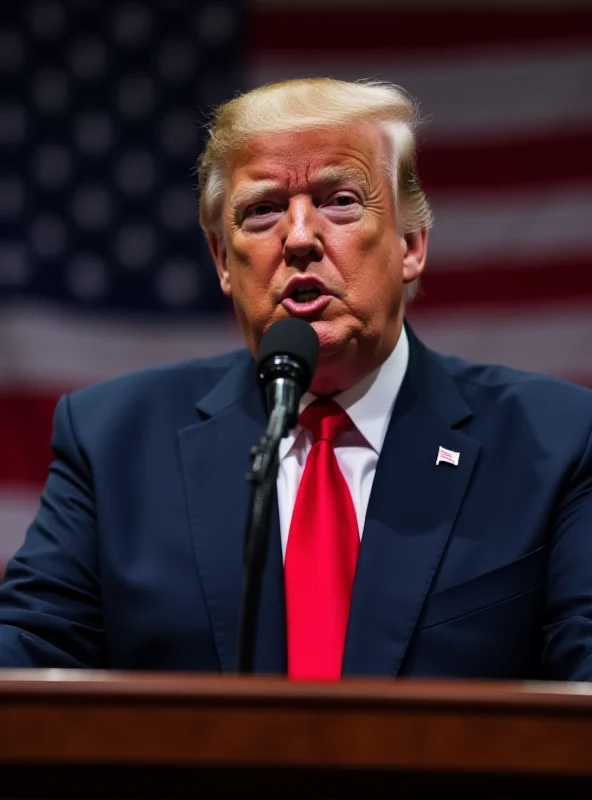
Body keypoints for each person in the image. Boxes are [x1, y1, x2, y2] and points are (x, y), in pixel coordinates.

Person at [0, 78, 591, 681]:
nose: (301, 238)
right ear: (222, 260)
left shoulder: (555, 442)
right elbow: (26, 656)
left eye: (340, 200)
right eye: (263, 210)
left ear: (411, 244)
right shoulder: (111, 442)